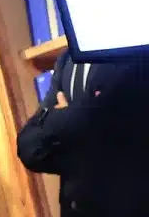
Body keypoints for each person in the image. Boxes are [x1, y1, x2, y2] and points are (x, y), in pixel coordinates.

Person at [17, 45, 149, 215]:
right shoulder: (67, 59)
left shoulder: (134, 49)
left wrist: (59, 125)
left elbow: (113, 124)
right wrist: (75, 127)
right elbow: (29, 146)